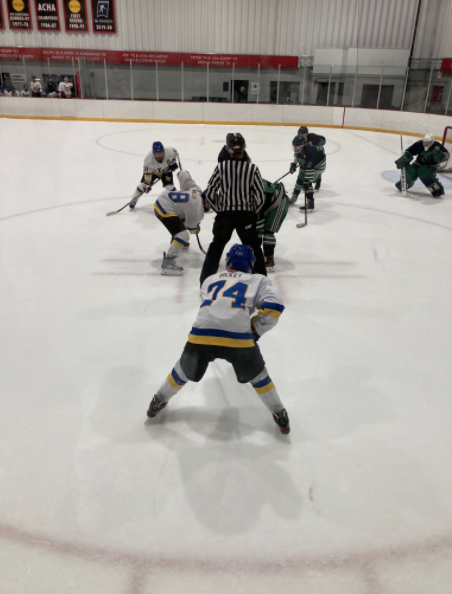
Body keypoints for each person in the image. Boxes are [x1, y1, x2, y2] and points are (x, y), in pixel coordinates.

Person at [146, 244, 290, 434]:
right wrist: (254, 331)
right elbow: (274, 307)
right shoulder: (258, 280)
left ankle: (159, 399)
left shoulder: (210, 279)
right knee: (259, 377)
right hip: (239, 340)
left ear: (228, 261)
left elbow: (212, 306)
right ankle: (278, 412)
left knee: (182, 370)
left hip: (201, 336)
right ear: (251, 264)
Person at [201, 133, 266, 284]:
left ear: (229, 150)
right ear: (244, 148)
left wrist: (220, 210)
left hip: (225, 215)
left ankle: (205, 282)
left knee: (216, 248)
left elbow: (210, 193)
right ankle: (262, 284)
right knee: (255, 249)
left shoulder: (221, 167)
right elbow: (260, 197)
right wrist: (252, 211)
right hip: (246, 216)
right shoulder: (252, 169)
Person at [154, 171, 207, 275]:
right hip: (165, 207)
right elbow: (192, 229)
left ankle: (175, 241)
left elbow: (184, 175)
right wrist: (197, 228)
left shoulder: (197, 189)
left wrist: (180, 173)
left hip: (164, 199)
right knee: (183, 235)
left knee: (182, 217)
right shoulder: (198, 211)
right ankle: (168, 262)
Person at [395, 133, 449, 198]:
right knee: (410, 173)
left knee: (427, 176)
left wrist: (440, 156)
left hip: (432, 166)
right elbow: (410, 151)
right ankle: (402, 184)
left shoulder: (437, 146)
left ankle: (437, 191)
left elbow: (447, 155)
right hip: (418, 163)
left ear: (432, 142)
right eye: (425, 142)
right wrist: (404, 158)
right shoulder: (419, 144)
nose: (426, 144)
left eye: (428, 142)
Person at [129, 141, 180, 210]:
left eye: (161, 153)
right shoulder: (148, 160)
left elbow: (175, 151)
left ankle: (178, 202)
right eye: (157, 153)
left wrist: (173, 163)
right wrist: (147, 184)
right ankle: (134, 200)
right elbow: (147, 174)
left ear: (163, 151)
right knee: (142, 186)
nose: (159, 155)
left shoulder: (170, 152)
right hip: (153, 173)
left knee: (169, 187)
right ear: (153, 153)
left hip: (166, 172)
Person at [257, 179, 290, 272]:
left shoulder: (249, 192)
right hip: (269, 201)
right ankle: (258, 255)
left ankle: (269, 259)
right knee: (257, 230)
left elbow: (257, 218)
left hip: (279, 203)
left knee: (268, 232)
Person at [289, 135, 327, 211]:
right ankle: (294, 197)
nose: (295, 148)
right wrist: (294, 164)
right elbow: (297, 156)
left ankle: (310, 203)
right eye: (294, 146)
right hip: (310, 163)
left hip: (319, 166)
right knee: (300, 179)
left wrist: (307, 180)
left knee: (307, 183)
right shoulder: (300, 149)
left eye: (296, 146)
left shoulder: (309, 151)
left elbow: (310, 167)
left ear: (302, 145)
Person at [297, 126, 326, 190]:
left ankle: (318, 180)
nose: (301, 136)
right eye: (300, 134)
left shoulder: (312, 137)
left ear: (307, 134)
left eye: (303, 134)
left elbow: (323, 140)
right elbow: (297, 153)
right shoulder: (299, 140)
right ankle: (303, 181)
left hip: (317, 154)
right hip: (308, 154)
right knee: (303, 165)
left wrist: (315, 146)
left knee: (314, 166)